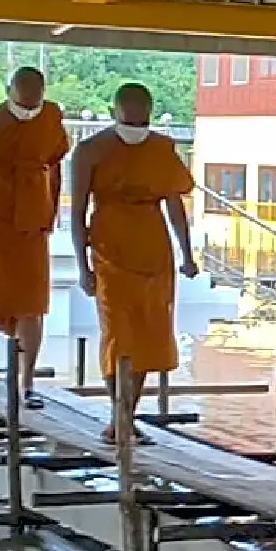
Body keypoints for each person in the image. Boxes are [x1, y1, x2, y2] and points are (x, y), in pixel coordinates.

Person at [71, 82, 198, 446]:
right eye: (129, 117)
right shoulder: (90, 151)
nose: (135, 126)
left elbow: (174, 205)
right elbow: (78, 211)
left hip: (154, 249)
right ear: (114, 112)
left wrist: (187, 254)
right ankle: (119, 414)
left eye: (142, 118)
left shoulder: (161, 148)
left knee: (148, 336)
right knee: (118, 334)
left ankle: (126, 416)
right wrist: (83, 266)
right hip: (109, 249)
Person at [0, 66, 69, 407]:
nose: (28, 112)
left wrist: (52, 212)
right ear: (9, 92)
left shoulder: (50, 118)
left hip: (33, 221)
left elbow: (55, 164)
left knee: (33, 305)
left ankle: (26, 384)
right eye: (22, 105)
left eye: (33, 105)